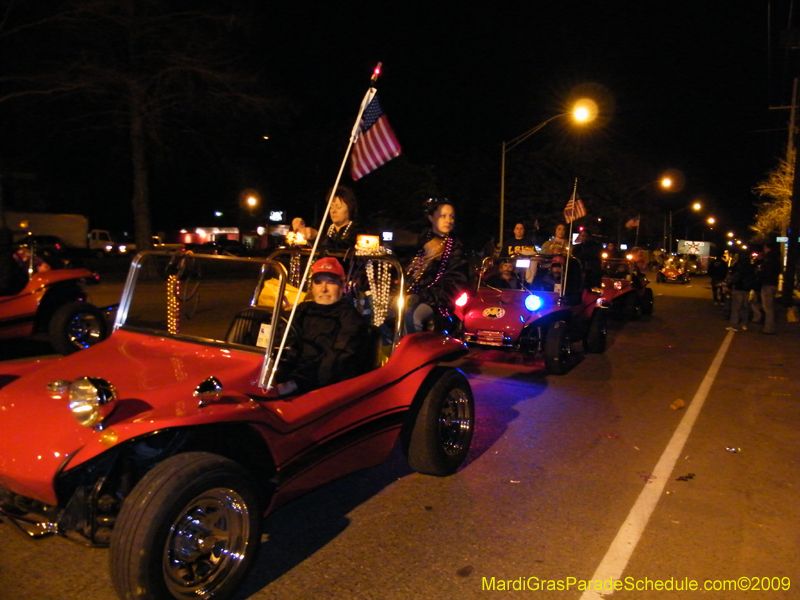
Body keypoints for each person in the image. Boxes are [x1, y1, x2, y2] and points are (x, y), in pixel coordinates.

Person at [276, 257, 369, 396]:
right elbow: (284, 340)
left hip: (322, 383)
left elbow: (340, 358)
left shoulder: (349, 317)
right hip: (290, 372)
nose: (324, 289)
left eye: (331, 283)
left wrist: (296, 382)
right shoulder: (302, 309)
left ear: (342, 286)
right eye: (318, 282)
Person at [405, 198, 469, 333]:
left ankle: (415, 352)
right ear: (431, 217)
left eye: (451, 216)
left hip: (436, 302)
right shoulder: (421, 240)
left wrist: (420, 296)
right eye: (443, 216)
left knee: (412, 316)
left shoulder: (455, 248)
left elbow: (453, 285)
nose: (448, 220)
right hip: (406, 294)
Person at [318, 186, 366, 250]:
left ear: (349, 208)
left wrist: (318, 237)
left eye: (339, 207)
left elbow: (345, 246)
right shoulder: (324, 229)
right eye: (331, 207)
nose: (333, 211)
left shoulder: (357, 231)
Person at [726, 249, 756, 332]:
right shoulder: (750, 266)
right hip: (747, 288)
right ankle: (744, 324)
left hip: (738, 287)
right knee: (745, 307)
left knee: (736, 307)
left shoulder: (738, 266)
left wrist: (729, 285)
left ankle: (734, 325)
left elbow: (735, 277)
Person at [757, 241, 781, 334]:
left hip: (767, 284)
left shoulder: (769, 259)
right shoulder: (776, 258)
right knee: (770, 306)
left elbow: (765, 272)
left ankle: (768, 328)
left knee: (767, 307)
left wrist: (760, 273)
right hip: (773, 283)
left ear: (767, 247)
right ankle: (769, 326)